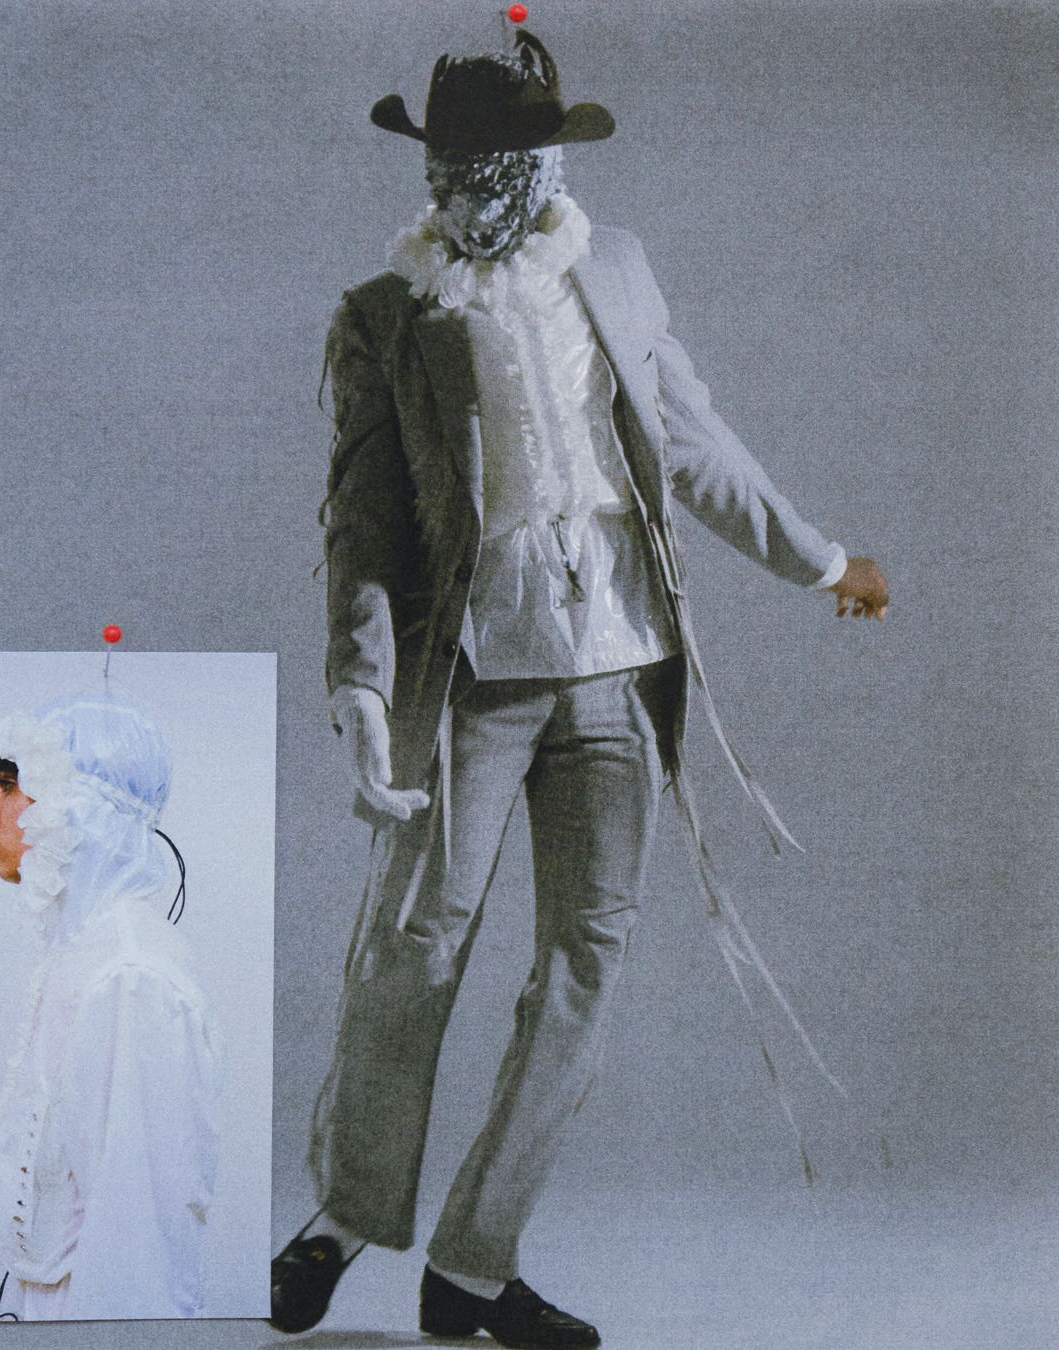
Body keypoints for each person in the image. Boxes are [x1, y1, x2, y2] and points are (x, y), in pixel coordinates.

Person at [271, 29, 888, 1348]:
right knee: (415, 941)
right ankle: (345, 1212)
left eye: (490, 163)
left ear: (541, 163)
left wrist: (824, 559)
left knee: (584, 965)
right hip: (474, 676)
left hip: (621, 669)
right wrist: (361, 686)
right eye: (448, 166)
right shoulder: (388, 313)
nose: (468, 188)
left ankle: (473, 1266)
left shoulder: (615, 270)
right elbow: (363, 524)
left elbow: (695, 447)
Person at [0, 694, 221, 1321]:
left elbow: (139, 1259)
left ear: (79, 806)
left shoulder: (129, 980)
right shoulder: (84, 957)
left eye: (11, 784)